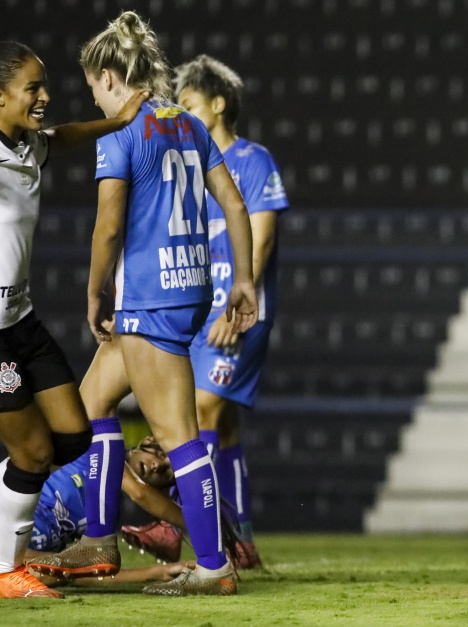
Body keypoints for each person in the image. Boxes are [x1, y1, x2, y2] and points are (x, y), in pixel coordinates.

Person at [27, 11, 258, 597]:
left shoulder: (120, 132)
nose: (93, 100)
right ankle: (100, 541)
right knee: (93, 402)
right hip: (190, 287)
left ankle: (213, 567)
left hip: (148, 299)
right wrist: (245, 281)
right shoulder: (187, 122)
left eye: (91, 87)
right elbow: (232, 204)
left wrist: (94, 289)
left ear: (108, 76)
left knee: (180, 436)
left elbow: (108, 226)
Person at [122, 54, 287, 570]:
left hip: (237, 314)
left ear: (217, 105)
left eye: (190, 102)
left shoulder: (253, 160)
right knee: (226, 427)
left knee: (202, 413)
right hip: (200, 313)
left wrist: (236, 306)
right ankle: (243, 543)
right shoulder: (193, 160)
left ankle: (182, 529)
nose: (183, 111)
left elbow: (259, 242)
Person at [0, 40, 146, 599]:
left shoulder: (31, 146)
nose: (44, 96)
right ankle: (8, 570)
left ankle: (8, 498)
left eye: (43, 85)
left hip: (22, 321)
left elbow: (62, 138)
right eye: (32, 88)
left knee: (72, 433)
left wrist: (120, 120)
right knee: (33, 452)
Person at [24, 438, 200, 588]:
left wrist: (160, 572)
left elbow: (85, 574)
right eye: (161, 455)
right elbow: (140, 493)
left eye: (166, 474)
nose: (157, 465)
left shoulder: (107, 511)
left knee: (48, 572)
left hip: (23, 554)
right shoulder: (102, 451)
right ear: (148, 441)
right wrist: (206, 529)